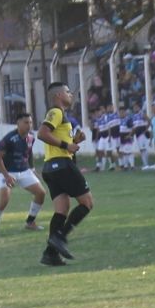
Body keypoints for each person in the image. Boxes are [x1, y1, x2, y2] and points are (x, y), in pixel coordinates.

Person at [37, 82, 92, 266]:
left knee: (61, 210)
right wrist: (67, 145)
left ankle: (50, 254)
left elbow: (60, 144)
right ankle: (60, 236)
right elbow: (42, 133)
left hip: (50, 168)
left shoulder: (62, 116)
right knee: (87, 203)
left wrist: (75, 141)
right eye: (68, 92)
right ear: (59, 95)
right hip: (61, 166)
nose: (71, 94)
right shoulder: (56, 112)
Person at [0, 113, 46, 238]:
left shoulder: (31, 137)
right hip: (7, 172)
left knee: (41, 193)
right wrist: (6, 175)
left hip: (24, 171)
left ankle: (30, 222)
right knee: (4, 199)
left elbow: (28, 154)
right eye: (26, 122)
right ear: (18, 123)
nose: (29, 125)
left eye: (30, 122)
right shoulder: (8, 139)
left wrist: (33, 170)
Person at [131, 104, 150, 169]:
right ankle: (145, 164)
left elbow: (149, 121)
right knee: (141, 149)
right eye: (134, 108)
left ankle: (146, 164)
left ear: (139, 107)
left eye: (136, 107)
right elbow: (134, 127)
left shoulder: (142, 114)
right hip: (137, 135)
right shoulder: (133, 116)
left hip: (142, 134)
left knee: (143, 149)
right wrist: (132, 136)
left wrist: (146, 130)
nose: (135, 109)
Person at [93, 105, 108, 172]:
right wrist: (96, 137)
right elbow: (98, 129)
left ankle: (104, 167)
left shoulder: (105, 117)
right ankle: (98, 165)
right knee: (100, 151)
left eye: (99, 112)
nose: (98, 113)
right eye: (97, 112)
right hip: (101, 137)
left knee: (105, 152)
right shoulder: (97, 120)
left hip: (107, 136)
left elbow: (109, 126)